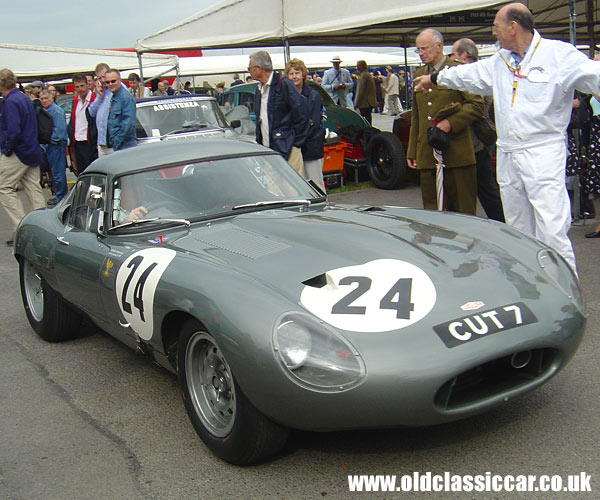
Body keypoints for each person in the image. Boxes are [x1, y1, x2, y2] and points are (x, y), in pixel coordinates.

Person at [413, 3, 600, 273]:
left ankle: (565, 290)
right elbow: (468, 75)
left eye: (497, 27)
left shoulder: (558, 55)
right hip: (508, 151)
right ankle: (527, 283)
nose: (494, 32)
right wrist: (435, 77)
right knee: (517, 226)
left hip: (543, 150)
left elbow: (595, 77)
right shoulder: (499, 61)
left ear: (513, 27)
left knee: (551, 227)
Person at [407, 28, 485, 216]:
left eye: (424, 48)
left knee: (464, 212)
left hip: (457, 154)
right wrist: (412, 151)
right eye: (418, 49)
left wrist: (451, 122)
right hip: (428, 155)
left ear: (439, 46)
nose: (421, 53)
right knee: (433, 213)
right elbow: (416, 117)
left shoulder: (457, 70)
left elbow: (477, 105)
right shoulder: (419, 73)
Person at [451, 38, 505, 222]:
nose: (451, 59)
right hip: (482, 142)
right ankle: (503, 226)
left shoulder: (473, 77)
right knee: (487, 190)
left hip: (475, 144)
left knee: (475, 192)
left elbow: (475, 109)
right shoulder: (483, 74)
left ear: (464, 56)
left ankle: (500, 227)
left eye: (453, 54)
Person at [0, 68, 46, 246]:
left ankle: (20, 227)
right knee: (33, 187)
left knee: (5, 187)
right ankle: (43, 227)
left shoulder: (10, 101)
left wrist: (6, 149)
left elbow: (13, 129)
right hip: (31, 149)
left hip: (18, 151)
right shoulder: (23, 98)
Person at [249, 50, 309, 176]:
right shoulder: (259, 89)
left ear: (258, 68)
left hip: (288, 150)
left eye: (249, 68)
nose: (248, 71)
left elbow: (302, 114)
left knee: (294, 191)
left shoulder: (283, 84)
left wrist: (294, 143)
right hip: (269, 151)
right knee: (274, 191)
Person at [284, 58, 325, 191]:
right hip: (294, 147)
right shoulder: (286, 96)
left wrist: (297, 141)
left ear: (303, 74)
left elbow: (313, 122)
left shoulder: (313, 95)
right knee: (299, 186)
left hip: (311, 147)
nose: (294, 76)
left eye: (297, 72)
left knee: (316, 184)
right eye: (291, 73)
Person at [39, 89, 68, 205]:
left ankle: (61, 195)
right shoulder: (45, 111)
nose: (44, 101)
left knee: (58, 171)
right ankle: (59, 193)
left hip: (56, 145)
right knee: (54, 171)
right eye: (42, 99)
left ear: (52, 98)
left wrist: (47, 141)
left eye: (46, 98)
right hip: (49, 145)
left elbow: (59, 132)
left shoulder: (56, 111)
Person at [68, 73, 98, 175]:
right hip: (77, 141)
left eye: (82, 86)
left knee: (93, 171)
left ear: (87, 85)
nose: (80, 89)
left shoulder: (95, 99)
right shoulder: (76, 100)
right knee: (81, 173)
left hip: (90, 142)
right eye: (77, 87)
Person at [104, 69, 137, 152]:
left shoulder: (125, 98)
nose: (110, 84)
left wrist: (117, 140)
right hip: (120, 144)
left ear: (120, 80)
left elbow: (128, 123)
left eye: (113, 81)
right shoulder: (115, 97)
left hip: (126, 144)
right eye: (107, 82)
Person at [88, 62, 114, 157]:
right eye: (99, 78)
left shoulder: (116, 90)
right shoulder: (101, 92)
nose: (102, 80)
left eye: (104, 77)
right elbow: (91, 112)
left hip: (113, 142)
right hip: (102, 142)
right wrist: (99, 97)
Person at [354, 60, 377, 125]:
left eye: (359, 66)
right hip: (369, 102)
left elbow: (361, 91)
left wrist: (356, 103)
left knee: (364, 120)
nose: (358, 68)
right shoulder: (368, 74)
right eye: (357, 66)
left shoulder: (364, 75)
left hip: (365, 103)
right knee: (368, 118)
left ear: (364, 66)